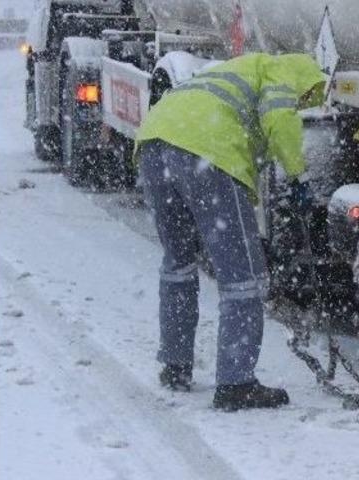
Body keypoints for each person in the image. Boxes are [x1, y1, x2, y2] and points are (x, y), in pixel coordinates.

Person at [135, 53, 325, 411]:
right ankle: (236, 383)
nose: (302, 102)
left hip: (153, 142)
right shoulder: (283, 70)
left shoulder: (234, 70)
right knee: (243, 277)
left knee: (178, 263)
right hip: (207, 152)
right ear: (307, 78)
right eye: (306, 96)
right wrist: (297, 174)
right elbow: (281, 119)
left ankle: (175, 366)